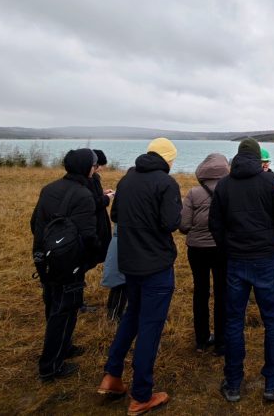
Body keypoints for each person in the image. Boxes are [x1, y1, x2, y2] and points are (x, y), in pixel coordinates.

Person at [97, 138, 182, 415]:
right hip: (156, 266)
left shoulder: (127, 179)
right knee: (150, 326)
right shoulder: (166, 183)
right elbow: (172, 223)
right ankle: (142, 394)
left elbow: (116, 215)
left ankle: (112, 375)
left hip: (130, 263)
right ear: (168, 159)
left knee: (132, 315)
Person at [209, 138, 274, 403]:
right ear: (258, 158)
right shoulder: (270, 181)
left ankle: (233, 383)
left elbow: (215, 224)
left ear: (237, 157)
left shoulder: (224, 185)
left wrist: (228, 249)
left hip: (237, 261)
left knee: (234, 321)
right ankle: (272, 383)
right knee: (272, 320)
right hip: (264, 260)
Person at [30, 148, 100, 381]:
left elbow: (35, 222)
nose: (95, 168)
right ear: (84, 167)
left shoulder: (49, 189)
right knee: (65, 309)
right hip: (69, 261)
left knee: (53, 303)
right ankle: (50, 366)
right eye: (93, 164)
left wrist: (43, 250)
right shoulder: (83, 195)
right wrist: (93, 255)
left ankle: (65, 347)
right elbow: (88, 235)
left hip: (45, 256)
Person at [180, 152, 230, 355]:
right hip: (221, 249)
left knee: (200, 292)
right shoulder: (230, 190)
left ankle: (201, 341)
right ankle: (221, 342)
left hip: (197, 250)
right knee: (222, 294)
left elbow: (183, 225)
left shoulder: (193, 193)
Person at [81, 149, 114, 314]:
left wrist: (101, 193)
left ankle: (77, 286)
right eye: (98, 165)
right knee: (87, 259)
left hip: (95, 223)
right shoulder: (90, 179)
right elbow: (93, 202)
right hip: (94, 224)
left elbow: (92, 197)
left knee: (90, 258)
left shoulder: (90, 179)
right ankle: (77, 290)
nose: (99, 168)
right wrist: (107, 198)